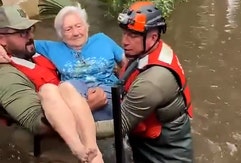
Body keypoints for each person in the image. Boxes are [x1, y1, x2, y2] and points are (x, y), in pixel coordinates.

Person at [0, 5, 103, 163]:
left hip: (80, 116)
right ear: (2, 39)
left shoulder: (34, 53)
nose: (30, 36)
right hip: (52, 144)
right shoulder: (6, 75)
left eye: (31, 28)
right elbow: (37, 123)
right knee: (50, 89)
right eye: (22, 32)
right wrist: (86, 106)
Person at [116, 1, 194, 162]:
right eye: (124, 33)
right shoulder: (149, 50)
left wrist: (72, 130)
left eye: (133, 35)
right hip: (149, 137)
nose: (124, 41)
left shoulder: (153, 81)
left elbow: (119, 125)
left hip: (165, 153)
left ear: (153, 36)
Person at [34, 5, 127, 121]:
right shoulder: (52, 48)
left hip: (108, 92)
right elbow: (22, 42)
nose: (76, 33)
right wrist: (2, 48)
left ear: (87, 26)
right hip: (75, 96)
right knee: (69, 86)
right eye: (68, 29)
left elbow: (127, 63)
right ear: (60, 34)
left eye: (79, 26)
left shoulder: (102, 40)